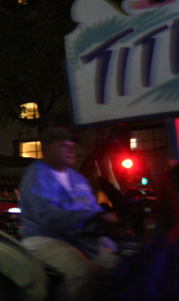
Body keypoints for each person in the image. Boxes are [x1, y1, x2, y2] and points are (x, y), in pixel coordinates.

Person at [19, 127, 120, 301]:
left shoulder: (77, 177)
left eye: (71, 144)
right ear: (46, 148)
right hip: (44, 239)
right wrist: (88, 216)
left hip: (76, 239)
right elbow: (47, 218)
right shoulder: (36, 176)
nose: (71, 148)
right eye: (63, 145)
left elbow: (92, 208)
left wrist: (104, 221)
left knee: (118, 266)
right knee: (82, 272)